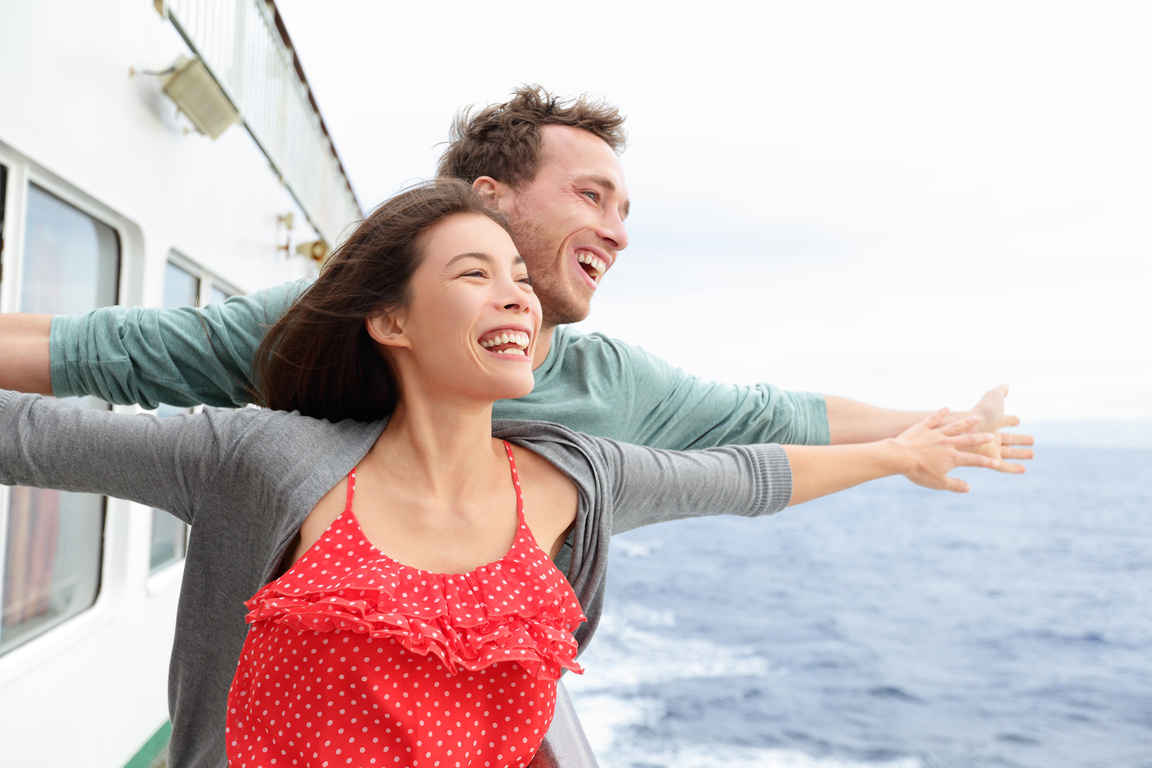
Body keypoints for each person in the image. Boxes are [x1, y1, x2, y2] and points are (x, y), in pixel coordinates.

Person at [0, 181, 1003, 768]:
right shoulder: (263, 465)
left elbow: (748, 469)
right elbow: (32, 437)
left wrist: (904, 453)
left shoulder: (572, 480)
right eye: (475, 274)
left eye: (519, 278)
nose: (517, 295)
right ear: (391, 322)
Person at [0, 85, 1034, 464]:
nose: (617, 231)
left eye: (625, 209)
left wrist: (925, 428)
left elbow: (771, 420)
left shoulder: (607, 391)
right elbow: (81, 354)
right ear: (491, 198)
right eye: (591, 196)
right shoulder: (330, 326)